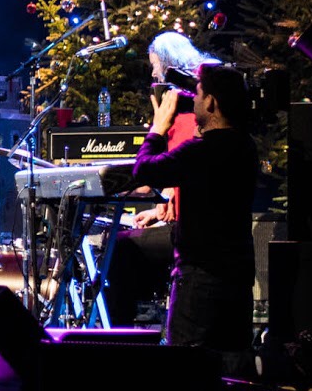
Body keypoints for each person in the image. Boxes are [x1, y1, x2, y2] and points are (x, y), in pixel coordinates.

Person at [102, 63, 259, 369]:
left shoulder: (202, 150)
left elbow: (144, 170)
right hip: (237, 279)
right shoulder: (244, 146)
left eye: (198, 95)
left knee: (185, 368)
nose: (193, 100)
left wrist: (158, 128)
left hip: (200, 278)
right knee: (230, 370)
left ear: (211, 102)